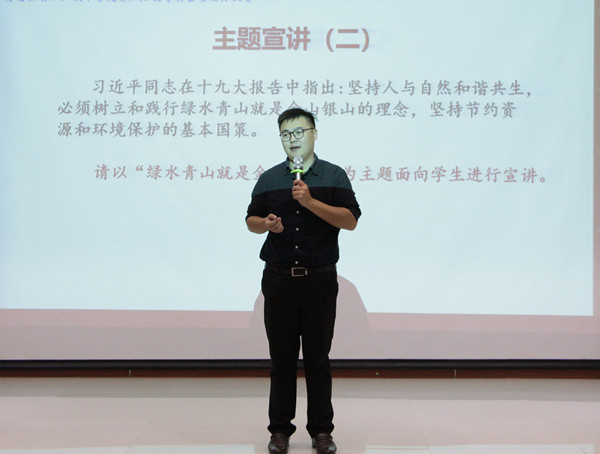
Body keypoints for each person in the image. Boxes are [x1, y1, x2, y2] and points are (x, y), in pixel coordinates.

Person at [245, 108, 361, 454]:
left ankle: (321, 431)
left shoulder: (334, 175)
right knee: (281, 360)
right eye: (286, 134)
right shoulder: (269, 178)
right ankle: (280, 430)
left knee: (317, 358)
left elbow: (350, 220)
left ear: (314, 134)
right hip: (279, 279)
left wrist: (309, 202)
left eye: (299, 132)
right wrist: (266, 224)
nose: (292, 140)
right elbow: (250, 220)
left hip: (319, 280)